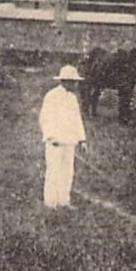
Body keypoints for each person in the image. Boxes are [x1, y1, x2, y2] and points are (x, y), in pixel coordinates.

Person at [40, 65, 87, 209]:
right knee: (54, 170)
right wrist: (50, 136)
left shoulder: (72, 98)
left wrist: (82, 139)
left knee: (67, 171)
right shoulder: (51, 96)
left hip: (69, 141)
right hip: (55, 142)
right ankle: (50, 202)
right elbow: (44, 118)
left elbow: (77, 119)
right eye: (72, 81)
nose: (75, 84)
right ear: (64, 81)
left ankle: (64, 201)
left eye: (75, 82)